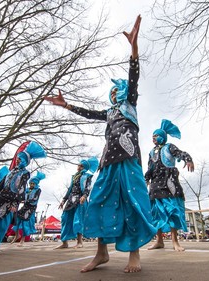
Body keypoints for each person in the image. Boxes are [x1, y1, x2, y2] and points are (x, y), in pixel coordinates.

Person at [44, 15, 157, 273]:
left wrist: (134, 49)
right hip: (107, 161)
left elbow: (134, 76)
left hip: (128, 159)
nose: (116, 93)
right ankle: (101, 254)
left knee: (132, 202)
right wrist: (67, 105)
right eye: (113, 92)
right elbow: (88, 113)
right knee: (98, 202)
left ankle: (133, 254)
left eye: (119, 90)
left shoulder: (130, 102)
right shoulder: (109, 112)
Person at [144, 119, 194, 252]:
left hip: (169, 183)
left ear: (163, 137)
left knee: (172, 211)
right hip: (155, 186)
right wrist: (145, 179)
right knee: (156, 213)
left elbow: (180, 153)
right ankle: (159, 241)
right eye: (152, 136)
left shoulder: (169, 147)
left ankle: (175, 241)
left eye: (156, 136)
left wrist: (187, 159)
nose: (154, 138)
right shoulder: (151, 152)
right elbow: (150, 168)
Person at [54, 157, 99, 249]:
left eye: (80, 165)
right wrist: (63, 200)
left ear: (83, 167)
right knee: (65, 219)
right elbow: (70, 189)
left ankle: (79, 242)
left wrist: (84, 196)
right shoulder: (74, 176)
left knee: (78, 220)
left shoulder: (87, 176)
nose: (78, 166)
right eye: (79, 165)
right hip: (70, 200)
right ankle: (64, 242)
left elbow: (88, 187)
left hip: (80, 200)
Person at [11, 171, 46, 246]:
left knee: (25, 223)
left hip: (31, 208)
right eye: (31, 183)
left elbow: (35, 199)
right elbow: (21, 196)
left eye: (33, 183)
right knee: (16, 219)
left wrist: (26, 200)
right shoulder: (26, 190)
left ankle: (22, 240)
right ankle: (17, 235)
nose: (32, 185)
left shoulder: (38, 190)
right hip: (24, 207)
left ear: (36, 184)